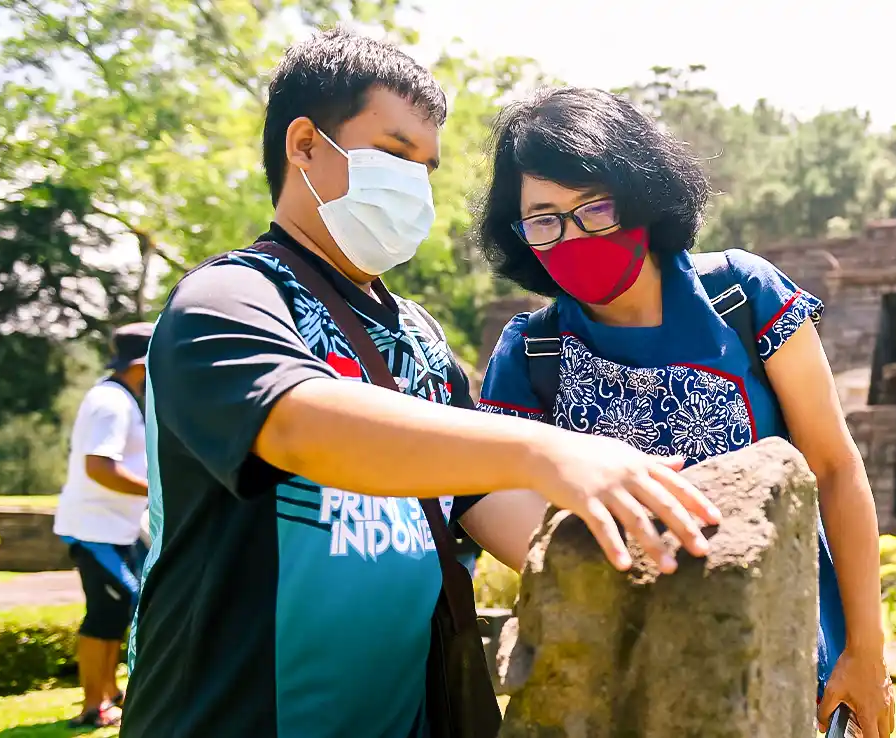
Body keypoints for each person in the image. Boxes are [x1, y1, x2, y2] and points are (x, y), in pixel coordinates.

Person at [121, 30, 716, 738]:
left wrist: (650, 576)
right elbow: (296, 424)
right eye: (396, 154)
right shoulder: (226, 300)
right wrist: (543, 449)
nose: (415, 184)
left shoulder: (421, 339)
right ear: (305, 145)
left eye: (427, 166)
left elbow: (482, 498)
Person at [475, 87, 896, 737]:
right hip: (628, 688)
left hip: (790, 675)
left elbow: (836, 466)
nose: (572, 233)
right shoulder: (531, 353)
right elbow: (487, 498)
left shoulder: (742, 296)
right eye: (545, 218)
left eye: (594, 206)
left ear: (640, 191)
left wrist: (867, 651)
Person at [53, 321, 153, 728]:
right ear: (143, 365)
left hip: (117, 528)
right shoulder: (111, 402)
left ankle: (110, 693)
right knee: (106, 612)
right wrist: (157, 491)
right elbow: (99, 467)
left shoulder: (124, 398)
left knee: (121, 609)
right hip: (96, 530)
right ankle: (92, 706)